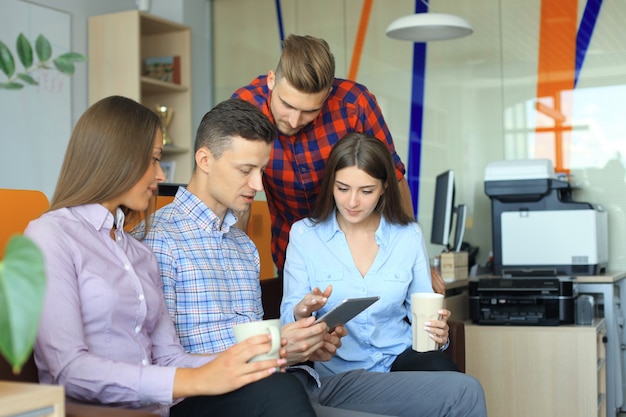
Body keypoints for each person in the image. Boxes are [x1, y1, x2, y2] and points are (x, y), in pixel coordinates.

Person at [139, 98, 488, 417]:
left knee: (464, 391)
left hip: (296, 379)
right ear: (204, 160)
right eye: (246, 170)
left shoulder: (243, 247)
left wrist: (305, 344)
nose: (259, 185)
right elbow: (162, 364)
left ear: (383, 190)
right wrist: (282, 348)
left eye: (262, 171)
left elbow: (260, 342)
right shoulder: (158, 241)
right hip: (248, 389)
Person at [24, 95, 316, 417]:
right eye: (153, 160)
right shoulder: (50, 236)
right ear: (113, 158)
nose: (161, 175)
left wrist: (254, 359)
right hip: (98, 411)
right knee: (278, 391)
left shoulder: (136, 252)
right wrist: (202, 378)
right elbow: (68, 369)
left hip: (158, 408)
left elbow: (169, 358)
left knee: (279, 386)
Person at [281, 132, 459, 379]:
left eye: (366, 191)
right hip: (335, 369)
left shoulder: (408, 236)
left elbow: (423, 313)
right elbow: (288, 319)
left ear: (385, 187)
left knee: (451, 381)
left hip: (399, 358)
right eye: (342, 188)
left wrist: (438, 335)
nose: (352, 202)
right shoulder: (304, 235)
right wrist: (302, 311)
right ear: (331, 183)